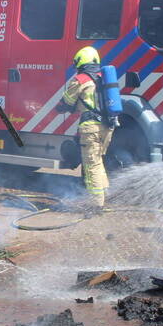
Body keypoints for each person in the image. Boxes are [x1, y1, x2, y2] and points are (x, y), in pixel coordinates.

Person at [58, 46, 114, 213]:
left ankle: (95, 204)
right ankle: (104, 196)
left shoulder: (81, 79)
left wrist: (59, 109)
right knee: (98, 161)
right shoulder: (103, 78)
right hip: (107, 126)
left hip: (91, 128)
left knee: (91, 166)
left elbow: (67, 102)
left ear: (81, 61)